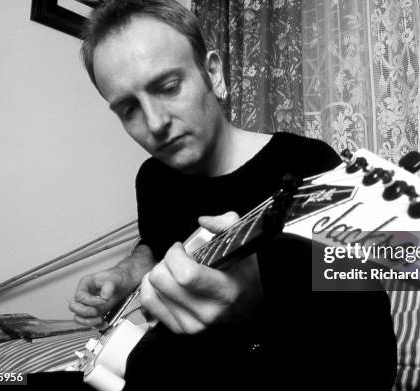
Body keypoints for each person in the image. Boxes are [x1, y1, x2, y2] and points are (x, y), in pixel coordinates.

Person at [69, 0, 397, 389]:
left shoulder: (307, 161)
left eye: (169, 87)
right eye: (128, 109)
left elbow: (365, 283)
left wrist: (261, 290)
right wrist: (126, 273)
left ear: (214, 74)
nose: (154, 123)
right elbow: (156, 240)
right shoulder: (153, 178)